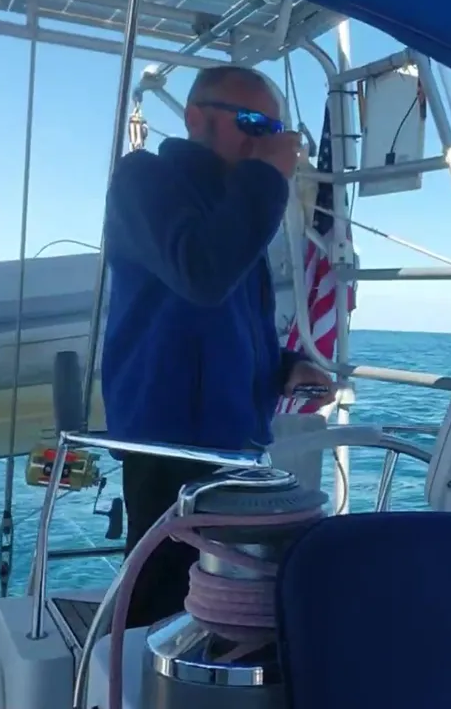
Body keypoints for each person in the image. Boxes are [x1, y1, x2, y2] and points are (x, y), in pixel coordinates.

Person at [100, 65, 334, 628]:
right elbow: (201, 273)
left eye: (273, 129)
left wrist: (285, 366)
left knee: (221, 607)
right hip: (169, 446)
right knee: (157, 605)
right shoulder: (143, 180)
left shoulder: (238, 203)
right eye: (251, 122)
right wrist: (267, 176)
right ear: (194, 117)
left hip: (235, 448)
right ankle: (123, 673)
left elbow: (225, 322)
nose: (265, 140)